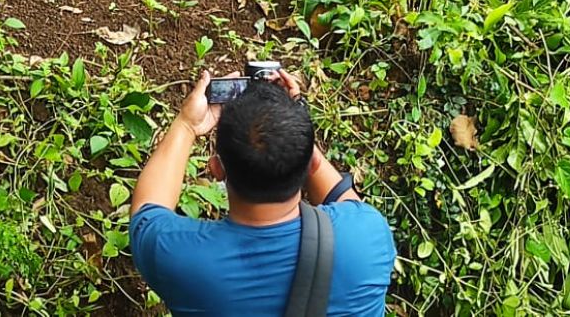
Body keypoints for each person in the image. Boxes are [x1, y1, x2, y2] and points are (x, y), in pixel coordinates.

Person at [129, 70, 395, 316]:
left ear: (217, 169)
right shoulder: (368, 235)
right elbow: (343, 198)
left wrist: (187, 125)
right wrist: (293, 126)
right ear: (313, 163)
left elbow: (147, 209)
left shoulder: (178, 258)